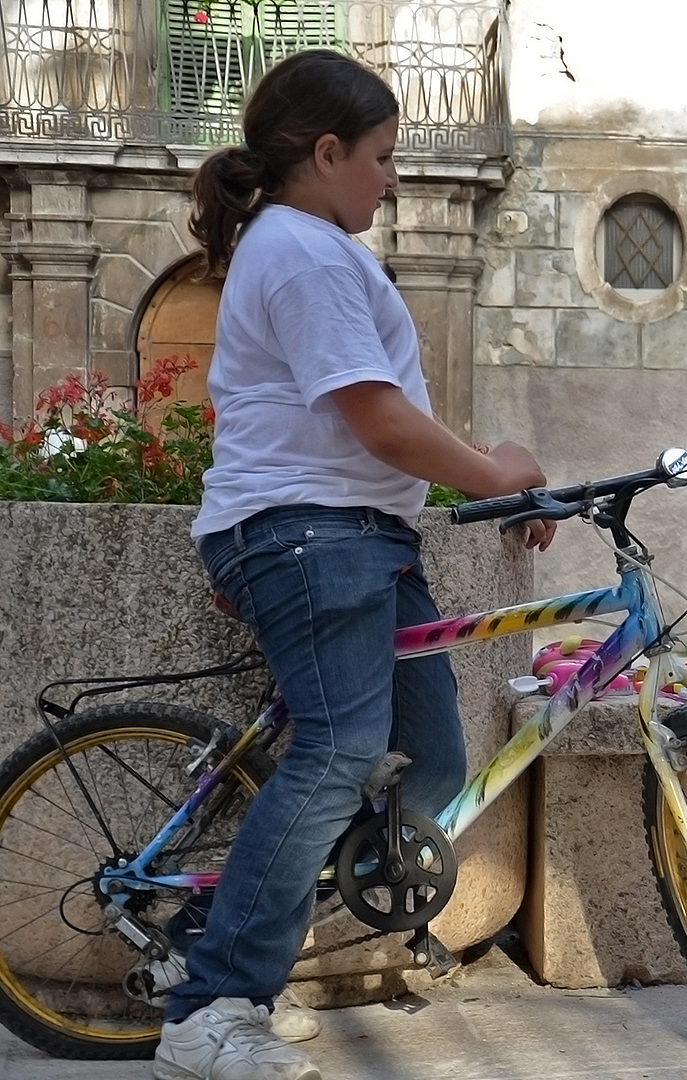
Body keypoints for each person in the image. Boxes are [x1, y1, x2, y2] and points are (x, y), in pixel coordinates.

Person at [157, 51, 554, 1080]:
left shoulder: (311, 249)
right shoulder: (301, 250)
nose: (391, 179)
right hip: (308, 534)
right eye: (380, 158)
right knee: (338, 754)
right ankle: (211, 1007)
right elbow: (375, 418)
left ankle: (261, 945)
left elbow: (381, 411)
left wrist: (483, 474)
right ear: (326, 153)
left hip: (353, 535)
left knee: (424, 766)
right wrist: (489, 479)